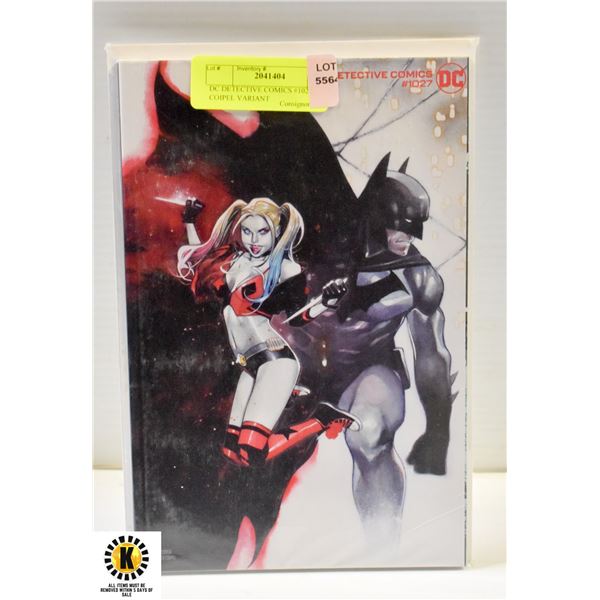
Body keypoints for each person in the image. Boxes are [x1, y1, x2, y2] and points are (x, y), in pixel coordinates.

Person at [287, 154, 456, 545]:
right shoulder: (314, 252)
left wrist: (438, 431)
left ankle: (384, 547)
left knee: (370, 431)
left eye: (414, 229)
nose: (408, 239)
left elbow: (431, 352)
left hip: (368, 370)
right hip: (297, 368)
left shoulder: (418, 277)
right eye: (400, 228)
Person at [177, 197, 359, 467]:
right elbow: (199, 257)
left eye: (262, 232)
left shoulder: (285, 268)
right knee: (231, 452)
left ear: (277, 232)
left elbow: (297, 318)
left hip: (274, 361)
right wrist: (189, 221)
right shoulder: (232, 258)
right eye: (247, 231)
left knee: (251, 453)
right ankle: (283, 394)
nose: (254, 240)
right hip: (248, 364)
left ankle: (321, 418)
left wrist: (326, 301)